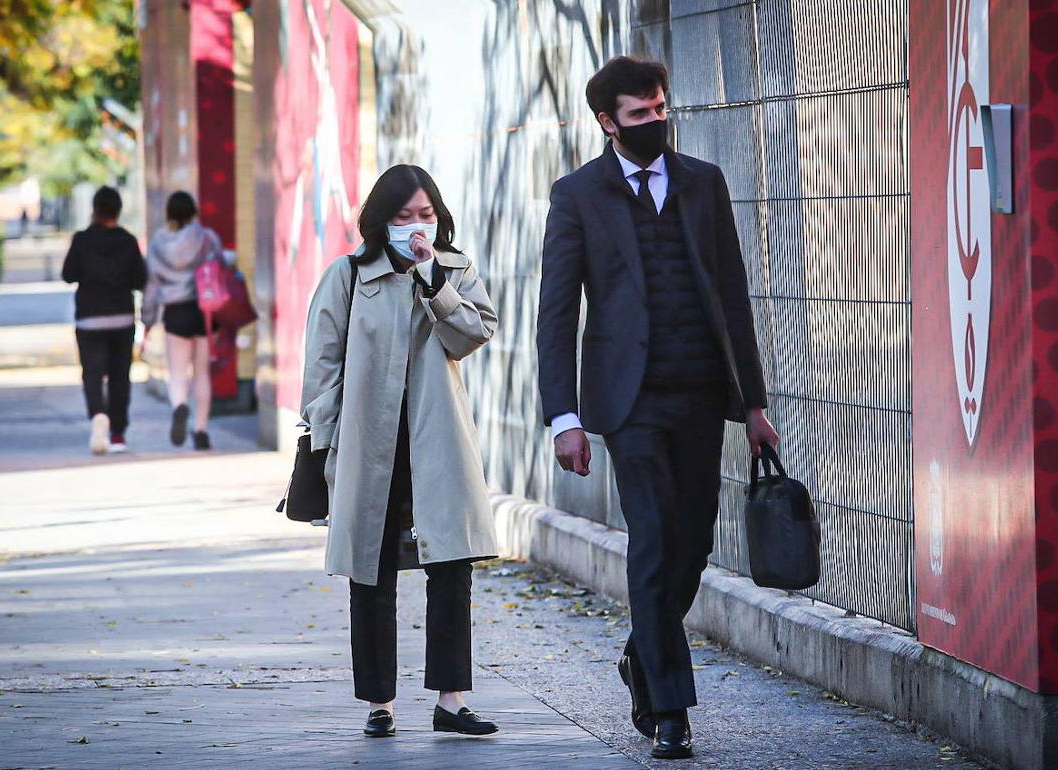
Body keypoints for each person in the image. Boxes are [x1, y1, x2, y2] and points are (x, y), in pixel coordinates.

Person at [536, 56, 780, 760]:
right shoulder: (577, 195)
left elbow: (733, 297)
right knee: (651, 540)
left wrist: (754, 403)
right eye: (639, 115)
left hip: (703, 394)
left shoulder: (704, 183)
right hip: (630, 402)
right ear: (607, 122)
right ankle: (670, 710)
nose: (655, 122)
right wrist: (565, 416)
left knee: (693, 544)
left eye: (660, 108)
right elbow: (556, 314)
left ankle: (644, 652)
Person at [300, 165, 501, 739]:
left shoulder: (456, 270)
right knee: (371, 569)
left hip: (437, 439)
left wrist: (434, 280)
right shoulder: (348, 276)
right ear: (379, 222)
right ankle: (380, 703)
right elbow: (321, 367)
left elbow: (474, 335)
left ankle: (452, 698)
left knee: (451, 566)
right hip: (370, 441)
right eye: (403, 217)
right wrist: (326, 440)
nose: (416, 227)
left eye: (426, 216)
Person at [62, 186, 147, 455]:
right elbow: (140, 280)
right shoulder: (128, 240)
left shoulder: (81, 240)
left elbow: (68, 274)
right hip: (122, 318)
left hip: (89, 319)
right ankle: (119, 434)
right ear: (118, 211)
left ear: (94, 209)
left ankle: (99, 413)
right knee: (120, 376)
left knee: (93, 373)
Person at [141, 191, 222, 450]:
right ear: (193, 211)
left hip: (175, 312)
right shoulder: (207, 239)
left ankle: (179, 406)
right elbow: (220, 267)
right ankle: (201, 431)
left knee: (177, 374)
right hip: (205, 310)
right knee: (201, 374)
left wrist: (148, 319)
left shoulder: (157, 244)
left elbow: (151, 285)